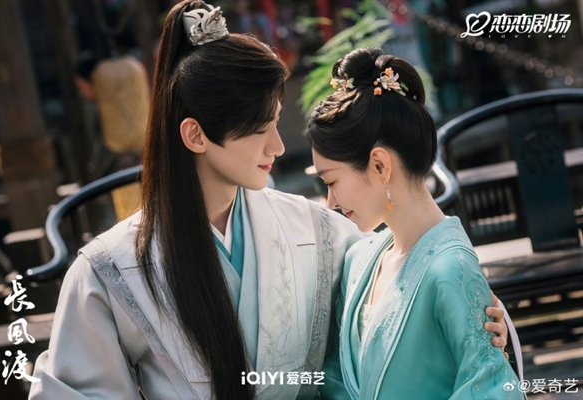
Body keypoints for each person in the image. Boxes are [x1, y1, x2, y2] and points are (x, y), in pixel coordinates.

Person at [29, 2, 508, 399]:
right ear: (195, 135)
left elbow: (416, 315)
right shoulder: (109, 270)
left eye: (276, 122)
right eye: (260, 130)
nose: (277, 147)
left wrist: (486, 320)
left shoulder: (320, 234)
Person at [308, 48, 523, 399]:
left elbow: (491, 390)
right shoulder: (359, 259)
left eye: (331, 181)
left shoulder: (451, 268)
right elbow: (334, 378)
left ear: (380, 165)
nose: (330, 201)